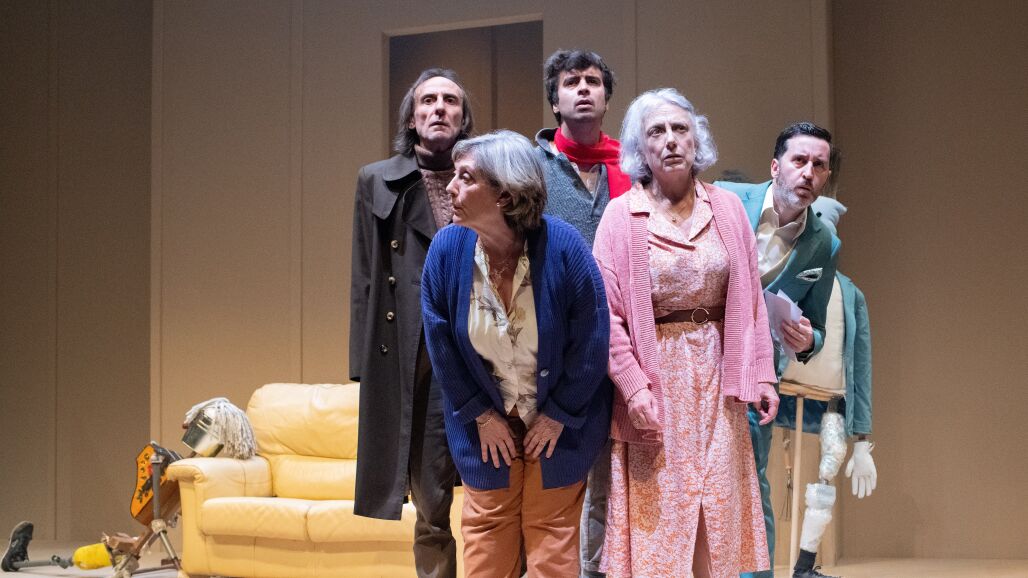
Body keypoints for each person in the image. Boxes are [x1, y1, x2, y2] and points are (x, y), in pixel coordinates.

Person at [593, 88, 779, 577]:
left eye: (681, 128)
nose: (671, 140)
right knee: (663, 518)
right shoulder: (620, 216)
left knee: (715, 511)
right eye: (657, 131)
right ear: (640, 147)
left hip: (720, 379)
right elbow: (605, 315)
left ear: (698, 139)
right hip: (658, 381)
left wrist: (762, 374)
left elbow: (751, 300)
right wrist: (633, 387)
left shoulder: (727, 209)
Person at [421, 130, 611, 577]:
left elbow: (592, 342)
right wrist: (481, 415)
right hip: (486, 425)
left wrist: (558, 414)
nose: (451, 187)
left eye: (466, 178)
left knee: (552, 542)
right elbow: (441, 346)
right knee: (487, 537)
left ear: (504, 195)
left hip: (560, 424)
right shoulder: (446, 250)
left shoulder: (564, 247)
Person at [349, 67, 473, 578]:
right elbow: (364, 275)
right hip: (412, 350)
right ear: (411, 117)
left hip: (480, 346)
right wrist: (364, 365)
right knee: (430, 494)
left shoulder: (485, 176)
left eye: (450, 100)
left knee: (495, 487)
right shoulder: (377, 179)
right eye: (427, 101)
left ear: (464, 118)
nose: (438, 108)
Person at [714, 122, 840, 578]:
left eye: (819, 165)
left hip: (756, 375)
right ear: (775, 166)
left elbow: (818, 326)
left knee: (751, 486)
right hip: (696, 358)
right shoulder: (725, 198)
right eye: (799, 160)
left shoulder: (823, 243)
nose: (808, 172)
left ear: (826, 176)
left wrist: (809, 340)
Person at [534, 47, 628, 577]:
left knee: (611, 480)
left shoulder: (632, 167)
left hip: (622, 342)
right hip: (556, 344)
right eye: (571, 83)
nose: (584, 89)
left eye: (593, 81)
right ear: (555, 102)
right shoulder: (532, 166)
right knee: (554, 481)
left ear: (607, 99)